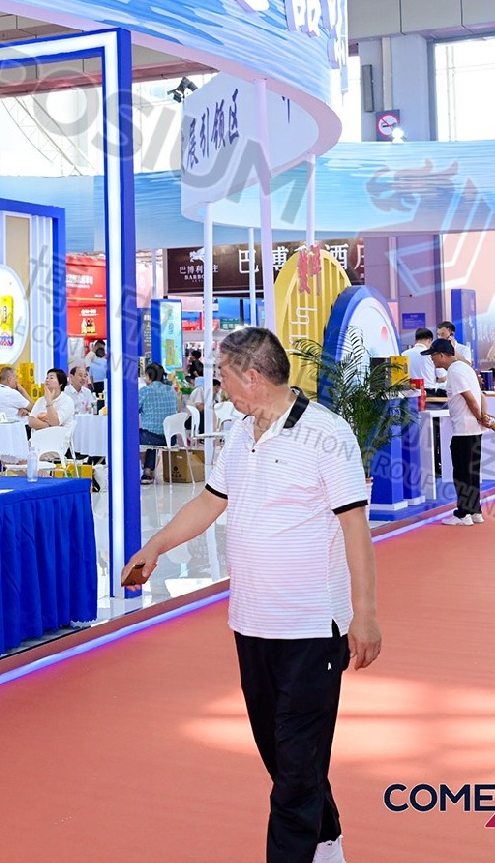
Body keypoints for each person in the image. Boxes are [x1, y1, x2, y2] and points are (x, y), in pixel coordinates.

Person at [125, 327, 379, 863]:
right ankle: (327, 842)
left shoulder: (327, 434)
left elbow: (355, 526)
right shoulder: (241, 434)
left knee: (295, 762)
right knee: (283, 755)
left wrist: (365, 614)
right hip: (251, 622)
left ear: (253, 376)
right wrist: (155, 546)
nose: (218, 386)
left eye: (222, 375)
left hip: (312, 626)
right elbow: (209, 502)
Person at [429, 337, 495, 526]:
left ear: (442, 355)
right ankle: (475, 511)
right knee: (473, 472)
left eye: (433, 356)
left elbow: (470, 398)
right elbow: (480, 395)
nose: (432, 360)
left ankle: (463, 513)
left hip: (463, 429)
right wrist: (483, 417)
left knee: (462, 473)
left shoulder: (454, 372)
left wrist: (481, 417)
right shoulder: (466, 368)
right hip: (474, 429)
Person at [137, 362, 184, 482]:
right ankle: (148, 470)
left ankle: (139, 469)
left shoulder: (145, 391)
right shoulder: (171, 390)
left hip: (151, 438)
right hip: (170, 438)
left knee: (133, 436)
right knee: (152, 436)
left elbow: (134, 410)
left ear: (149, 376)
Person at [28, 366, 75, 431]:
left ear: (60, 383)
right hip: (39, 436)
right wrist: (48, 425)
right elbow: (31, 421)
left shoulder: (67, 401)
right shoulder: (41, 400)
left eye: (51, 378)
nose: (47, 380)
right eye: (47, 378)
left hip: (59, 436)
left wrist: (49, 402)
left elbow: (55, 423)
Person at [405, 327, 437, 391]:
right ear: (430, 340)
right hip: (428, 391)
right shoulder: (431, 354)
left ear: (415, 340)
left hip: (409, 392)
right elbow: (442, 377)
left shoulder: (404, 354)